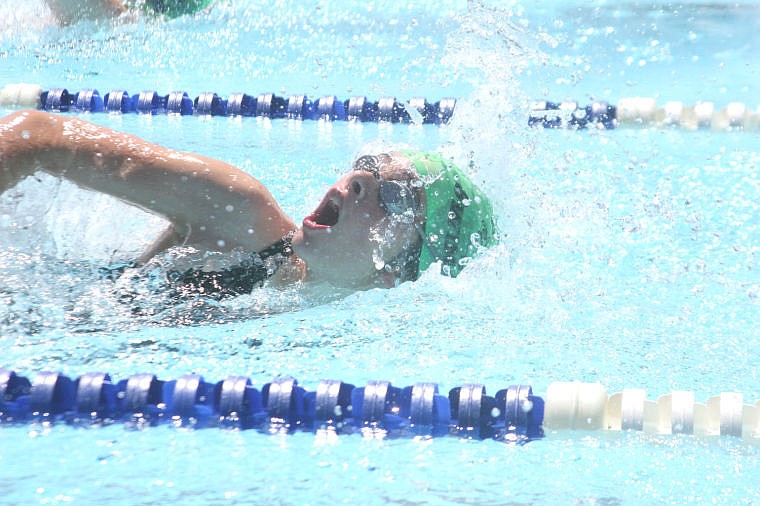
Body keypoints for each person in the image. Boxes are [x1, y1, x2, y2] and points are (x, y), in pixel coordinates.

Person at [0, 109, 497, 296]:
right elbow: (37, 135)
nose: (360, 181)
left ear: (401, 272)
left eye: (393, 195)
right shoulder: (238, 212)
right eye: (367, 165)